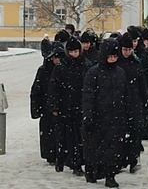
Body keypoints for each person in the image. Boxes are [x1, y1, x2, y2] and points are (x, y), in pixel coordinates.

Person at [82, 38, 133, 187]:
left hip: (116, 117)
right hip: (98, 117)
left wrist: (128, 113)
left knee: (114, 149)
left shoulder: (120, 73)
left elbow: (125, 95)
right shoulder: (94, 72)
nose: (113, 59)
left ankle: (110, 175)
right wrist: (88, 115)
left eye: (115, 56)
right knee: (95, 147)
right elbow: (88, 96)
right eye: (110, 56)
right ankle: (92, 170)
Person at [48, 36, 88, 175]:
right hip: (66, 107)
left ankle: (76, 163)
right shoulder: (61, 68)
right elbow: (54, 88)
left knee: (78, 138)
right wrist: (55, 106)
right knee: (64, 137)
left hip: (80, 106)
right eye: (71, 52)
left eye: (76, 51)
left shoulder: (85, 65)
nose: (74, 54)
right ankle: (62, 159)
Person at [31, 42, 65, 165]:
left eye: (60, 57)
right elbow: (36, 90)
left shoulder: (65, 69)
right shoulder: (44, 70)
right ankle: (50, 154)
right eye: (55, 57)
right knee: (48, 132)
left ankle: (60, 153)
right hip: (46, 107)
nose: (57, 60)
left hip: (62, 106)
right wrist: (36, 109)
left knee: (61, 132)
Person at [118, 33, 146, 173]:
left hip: (135, 103)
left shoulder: (136, 62)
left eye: (129, 49)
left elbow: (142, 83)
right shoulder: (117, 63)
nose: (127, 52)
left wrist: (145, 99)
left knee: (135, 132)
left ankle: (133, 159)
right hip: (120, 103)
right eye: (125, 49)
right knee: (121, 133)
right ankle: (122, 159)